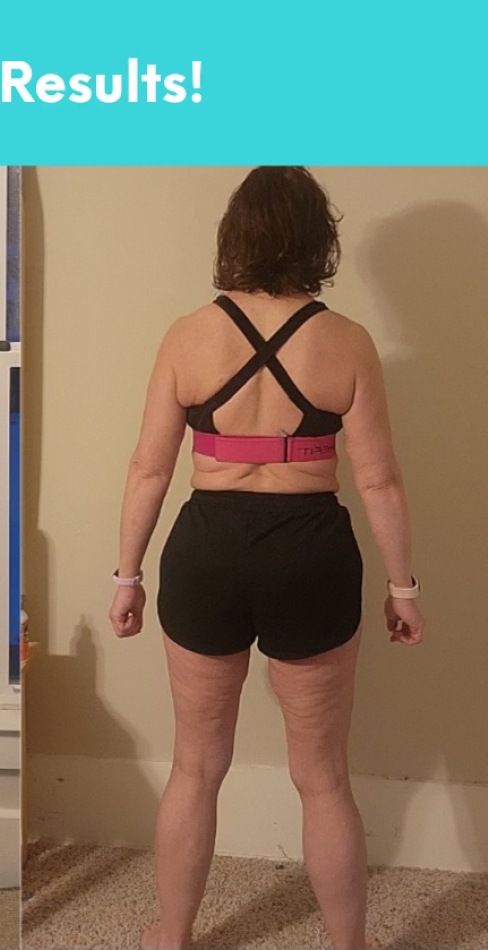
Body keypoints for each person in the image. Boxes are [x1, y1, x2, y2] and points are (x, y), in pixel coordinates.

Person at [108, 166, 424, 950]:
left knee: (193, 767)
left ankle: (171, 935)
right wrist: (402, 586)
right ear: (317, 241)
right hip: (309, 553)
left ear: (234, 237)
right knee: (322, 778)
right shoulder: (345, 342)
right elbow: (378, 478)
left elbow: (148, 468)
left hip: (207, 549)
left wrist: (126, 575)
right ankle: (348, 947)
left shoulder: (187, 335)